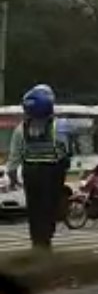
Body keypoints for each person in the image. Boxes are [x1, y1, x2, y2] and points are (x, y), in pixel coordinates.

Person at [5, 85, 71, 252]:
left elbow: (14, 156)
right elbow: (65, 151)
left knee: (34, 210)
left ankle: (37, 243)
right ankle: (46, 239)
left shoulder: (22, 128)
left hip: (30, 173)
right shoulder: (59, 126)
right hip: (52, 172)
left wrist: (13, 177)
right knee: (50, 207)